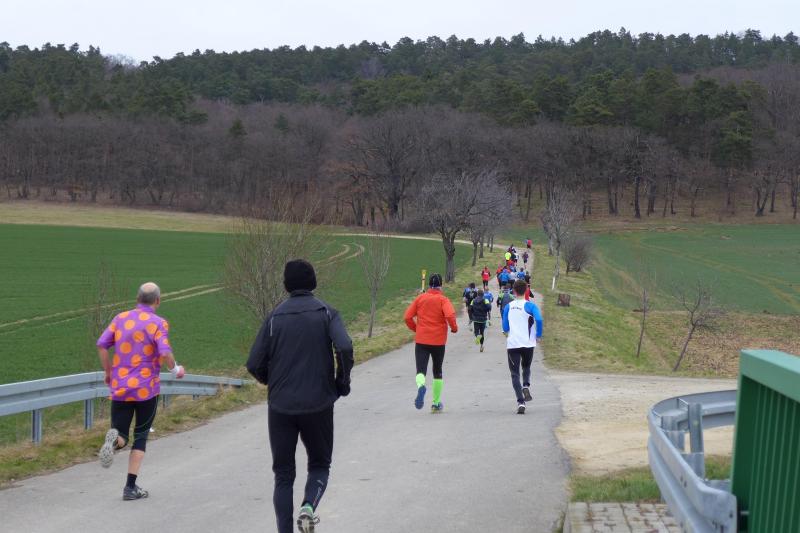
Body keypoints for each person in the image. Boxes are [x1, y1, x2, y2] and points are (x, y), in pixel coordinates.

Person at [246, 259, 354, 533]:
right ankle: (308, 507)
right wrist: (341, 383)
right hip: (319, 403)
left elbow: (254, 363)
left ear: (286, 285)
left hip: (281, 407)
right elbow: (344, 346)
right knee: (320, 464)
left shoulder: (274, 318)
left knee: (283, 476)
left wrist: (271, 381)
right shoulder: (327, 313)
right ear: (313, 282)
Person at [96, 282, 185, 501]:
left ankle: (114, 442)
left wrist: (108, 372)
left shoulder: (120, 318)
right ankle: (130, 488)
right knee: (141, 436)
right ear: (158, 301)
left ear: (137, 299)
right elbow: (165, 352)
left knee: (122, 434)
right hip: (146, 389)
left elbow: (101, 344)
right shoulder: (158, 323)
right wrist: (176, 369)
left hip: (120, 387)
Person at [404, 273, 458, 413]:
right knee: (437, 371)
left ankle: (421, 386)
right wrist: (454, 328)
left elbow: (407, 317)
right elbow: (450, 315)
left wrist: (416, 329)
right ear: (441, 285)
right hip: (438, 341)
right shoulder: (443, 299)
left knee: (420, 370)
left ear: (429, 285)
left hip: (422, 340)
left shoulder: (420, 298)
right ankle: (435, 403)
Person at [502, 280, 543, 414]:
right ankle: (526, 385)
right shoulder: (531, 306)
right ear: (526, 290)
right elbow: (539, 319)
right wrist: (538, 334)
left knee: (514, 374)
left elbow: (505, 326)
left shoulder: (508, 306)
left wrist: (507, 331)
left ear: (513, 291)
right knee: (526, 367)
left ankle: (521, 402)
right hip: (528, 343)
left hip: (513, 344)